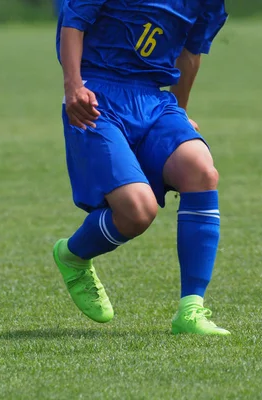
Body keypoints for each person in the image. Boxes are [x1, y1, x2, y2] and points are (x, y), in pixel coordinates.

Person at [53, 0, 229, 335]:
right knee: (137, 212)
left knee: (200, 169)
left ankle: (191, 312)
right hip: (96, 95)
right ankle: (72, 255)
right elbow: (73, 22)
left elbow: (190, 53)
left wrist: (179, 114)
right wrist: (74, 86)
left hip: (154, 101)